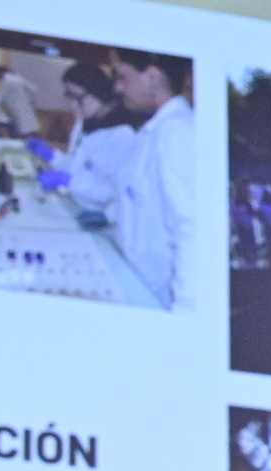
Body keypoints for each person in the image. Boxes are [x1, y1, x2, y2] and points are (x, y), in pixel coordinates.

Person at [112, 48, 198, 310]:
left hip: (158, 297)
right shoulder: (156, 130)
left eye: (122, 77)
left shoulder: (177, 133)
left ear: (152, 77)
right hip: (138, 283)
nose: (117, 87)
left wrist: (186, 311)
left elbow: (191, 229)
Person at [51, 62, 134, 230]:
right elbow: (77, 165)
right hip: (76, 205)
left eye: (78, 97)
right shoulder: (84, 123)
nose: (73, 105)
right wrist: (53, 157)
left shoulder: (124, 134)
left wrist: (70, 181)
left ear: (98, 91)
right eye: (69, 96)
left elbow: (113, 192)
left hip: (99, 219)